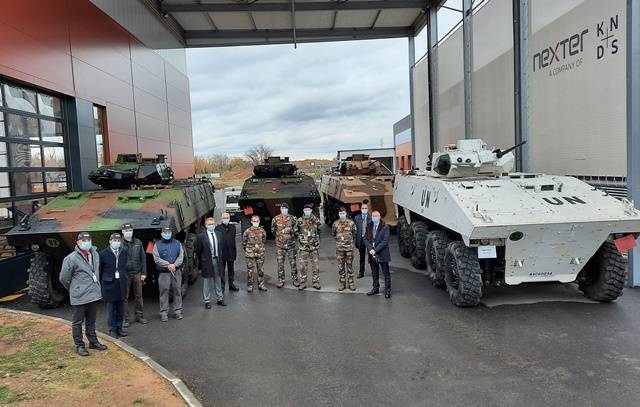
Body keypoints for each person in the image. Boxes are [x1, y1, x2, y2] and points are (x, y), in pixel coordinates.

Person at [59, 232, 107, 356]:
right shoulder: (71, 258)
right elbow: (64, 278)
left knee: (91, 320)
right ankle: (79, 345)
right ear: (78, 243)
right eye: (83, 240)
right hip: (80, 296)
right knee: (77, 322)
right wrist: (74, 289)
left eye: (88, 240)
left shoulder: (95, 254)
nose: (86, 242)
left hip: (93, 294)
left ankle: (93, 342)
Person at [99, 233, 129, 338]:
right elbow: (100, 270)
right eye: (114, 240)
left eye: (118, 240)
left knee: (120, 309)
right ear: (110, 241)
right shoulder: (103, 254)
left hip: (121, 284)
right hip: (109, 285)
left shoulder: (124, 252)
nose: (116, 242)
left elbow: (125, 267)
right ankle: (112, 329)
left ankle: (119, 328)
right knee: (111, 309)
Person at [153, 226, 184, 322]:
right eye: (165, 232)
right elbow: (156, 258)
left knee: (177, 291)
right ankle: (164, 313)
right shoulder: (157, 245)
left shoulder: (177, 243)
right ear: (161, 234)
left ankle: (178, 311)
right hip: (164, 273)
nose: (167, 234)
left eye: (169, 232)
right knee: (164, 292)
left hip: (176, 271)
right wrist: (168, 265)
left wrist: (175, 265)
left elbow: (181, 256)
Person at [121, 223, 148, 327]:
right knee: (124, 297)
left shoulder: (138, 242)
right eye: (126, 230)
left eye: (130, 230)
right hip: (125, 274)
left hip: (137, 273)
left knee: (139, 295)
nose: (128, 232)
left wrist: (144, 273)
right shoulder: (119, 243)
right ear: (122, 231)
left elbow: (143, 258)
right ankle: (126, 319)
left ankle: (139, 316)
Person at [196, 217, 226, 308]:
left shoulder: (219, 234)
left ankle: (220, 299)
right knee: (207, 282)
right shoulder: (201, 236)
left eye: (212, 224)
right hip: (207, 261)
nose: (211, 226)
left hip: (217, 260)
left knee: (218, 279)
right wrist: (202, 261)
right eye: (209, 224)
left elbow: (222, 247)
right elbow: (198, 250)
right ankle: (207, 301)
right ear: (206, 225)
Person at [364, 211, 392, 299]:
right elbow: (365, 239)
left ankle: (387, 290)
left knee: (386, 274)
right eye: (373, 216)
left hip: (382, 253)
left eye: (376, 216)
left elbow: (385, 241)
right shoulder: (369, 226)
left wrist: (375, 250)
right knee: (374, 273)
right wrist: (370, 249)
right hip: (371, 253)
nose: (374, 218)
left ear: (379, 217)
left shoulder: (385, 227)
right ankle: (375, 288)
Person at [271, 202, 298, 288]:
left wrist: (289, 230)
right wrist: (279, 237)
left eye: (285, 208)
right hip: (280, 246)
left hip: (291, 245)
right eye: (282, 208)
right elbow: (273, 230)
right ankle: (281, 280)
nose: (284, 210)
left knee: (293, 263)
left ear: (288, 209)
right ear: (280, 209)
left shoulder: (292, 218)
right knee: (280, 264)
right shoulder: (275, 219)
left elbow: (296, 231)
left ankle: (295, 280)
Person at [295, 203, 322, 290]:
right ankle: (303, 283)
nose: (307, 211)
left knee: (315, 266)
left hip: (314, 247)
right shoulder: (299, 221)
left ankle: (316, 282)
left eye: (309, 210)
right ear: (303, 210)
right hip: (303, 247)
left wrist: (315, 239)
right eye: (306, 210)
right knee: (302, 266)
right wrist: (302, 238)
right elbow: (295, 231)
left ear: (311, 210)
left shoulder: (316, 220)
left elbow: (319, 230)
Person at [332, 207, 357, 291]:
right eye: (340, 213)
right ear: (338, 214)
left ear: (346, 213)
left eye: (343, 213)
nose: (342, 214)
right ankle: (342, 283)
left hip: (349, 249)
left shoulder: (351, 223)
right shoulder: (335, 224)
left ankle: (351, 283)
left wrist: (348, 242)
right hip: (340, 249)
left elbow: (354, 234)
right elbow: (334, 234)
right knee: (341, 267)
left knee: (350, 266)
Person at [242, 215, 267, 292]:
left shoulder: (262, 231)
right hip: (250, 254)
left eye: (257, 221)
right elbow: (244, 242)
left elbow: (264, 240)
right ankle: (250, 285)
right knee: (250, 270)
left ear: (259, 221)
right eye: (254, 221)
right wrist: (249, 250)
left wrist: (260, 248)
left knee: (260, 270)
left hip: (260, 253)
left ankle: (261, 285)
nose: (256, 222)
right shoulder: (247, 231)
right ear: (251, 221)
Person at [216, 212, 239, 292]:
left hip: (231, 251)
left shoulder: (233, 227)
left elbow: (233, 237)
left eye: (227, 218)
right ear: (222, 219)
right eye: (224, 218)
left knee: (231, 270)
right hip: (222, 253)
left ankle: (231, 284)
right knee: (222, 271)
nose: (226, 219)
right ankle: (222, 286)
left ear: (229, 219)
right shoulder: (218, 228)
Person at [354, 201, 372, 279]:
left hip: (368, 240)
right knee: (361, 257)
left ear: (367, 209)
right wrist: (356, 241)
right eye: (363, 208)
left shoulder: (371, 218)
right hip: (361, 240)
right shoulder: (357, 218)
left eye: (365, 208)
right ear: (360, 209)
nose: (364, 209)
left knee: (371, 256)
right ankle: (361, 272)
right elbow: (355, 230)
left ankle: (373, 270)